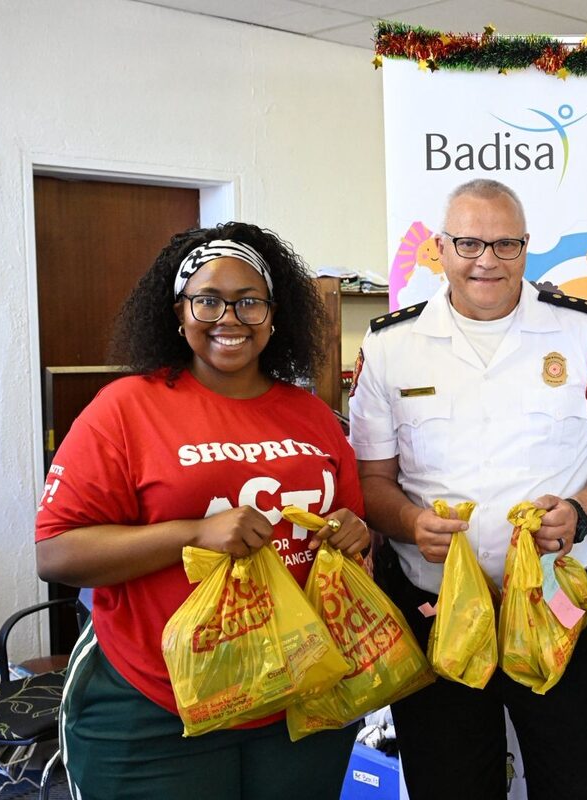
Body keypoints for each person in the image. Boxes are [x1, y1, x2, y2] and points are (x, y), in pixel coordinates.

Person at [35, 222, 370, 800]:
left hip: (299, 703)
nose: (229, 318)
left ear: (274, 313)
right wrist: (193, 532)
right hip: (155, 707)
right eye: (208, 300)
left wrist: (353, 533)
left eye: (249, 302)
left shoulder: (311, 415)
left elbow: (352, 534)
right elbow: (57, 552)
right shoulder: (125, 408)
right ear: (179, 310)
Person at [349, 179, 587, 800]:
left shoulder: (584, 335)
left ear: (526, 247)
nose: (487, 259)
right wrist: (409, 524)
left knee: (575, 785)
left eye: (505, 244)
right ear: (439, 248)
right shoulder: (389, 345)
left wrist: (578, 512)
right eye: (468, 242)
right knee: (451, 787)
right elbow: (371, 481)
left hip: (555, 615)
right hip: (438, 617)